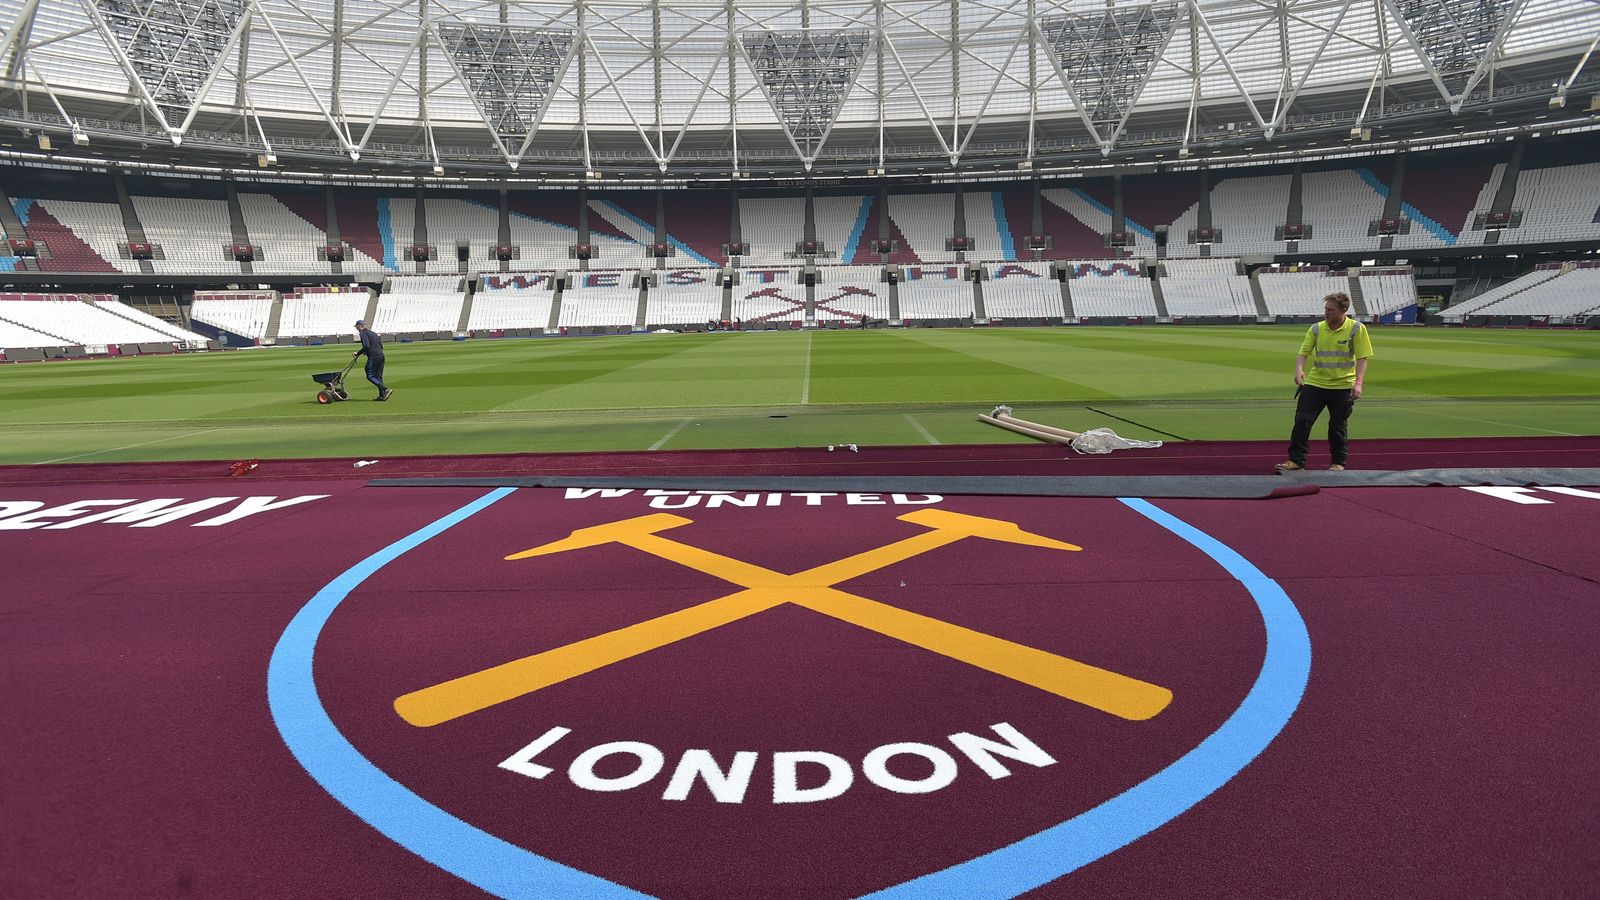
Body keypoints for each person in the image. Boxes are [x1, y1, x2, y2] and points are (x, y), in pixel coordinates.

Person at [1278, 292, 1371, 472]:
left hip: (1342, 386)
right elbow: (1303, 353)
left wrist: (1358, 383)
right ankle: (1296, 460)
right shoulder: (1316, 328)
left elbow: (1362, 358)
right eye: (1325, 309)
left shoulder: (1356, 329)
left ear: (1343, 310)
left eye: (1331, 309)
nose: (1326, 312)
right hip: (1315, 383)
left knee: (1337, 426)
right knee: (1302, 421)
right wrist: (1299, 370)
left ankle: (1338, 462)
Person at [352, 320, 392, 401]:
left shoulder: (363, 333)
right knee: (378, 376)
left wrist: (358, 353)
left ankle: (385, 389)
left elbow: (366, 346)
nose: (356, 328)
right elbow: (380, 345)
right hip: (381, 355)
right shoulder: (373, 333)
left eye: (356, 327)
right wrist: (367, 352)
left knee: (370, 375)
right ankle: (382, 395)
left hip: (374, 357)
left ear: (359, 326)